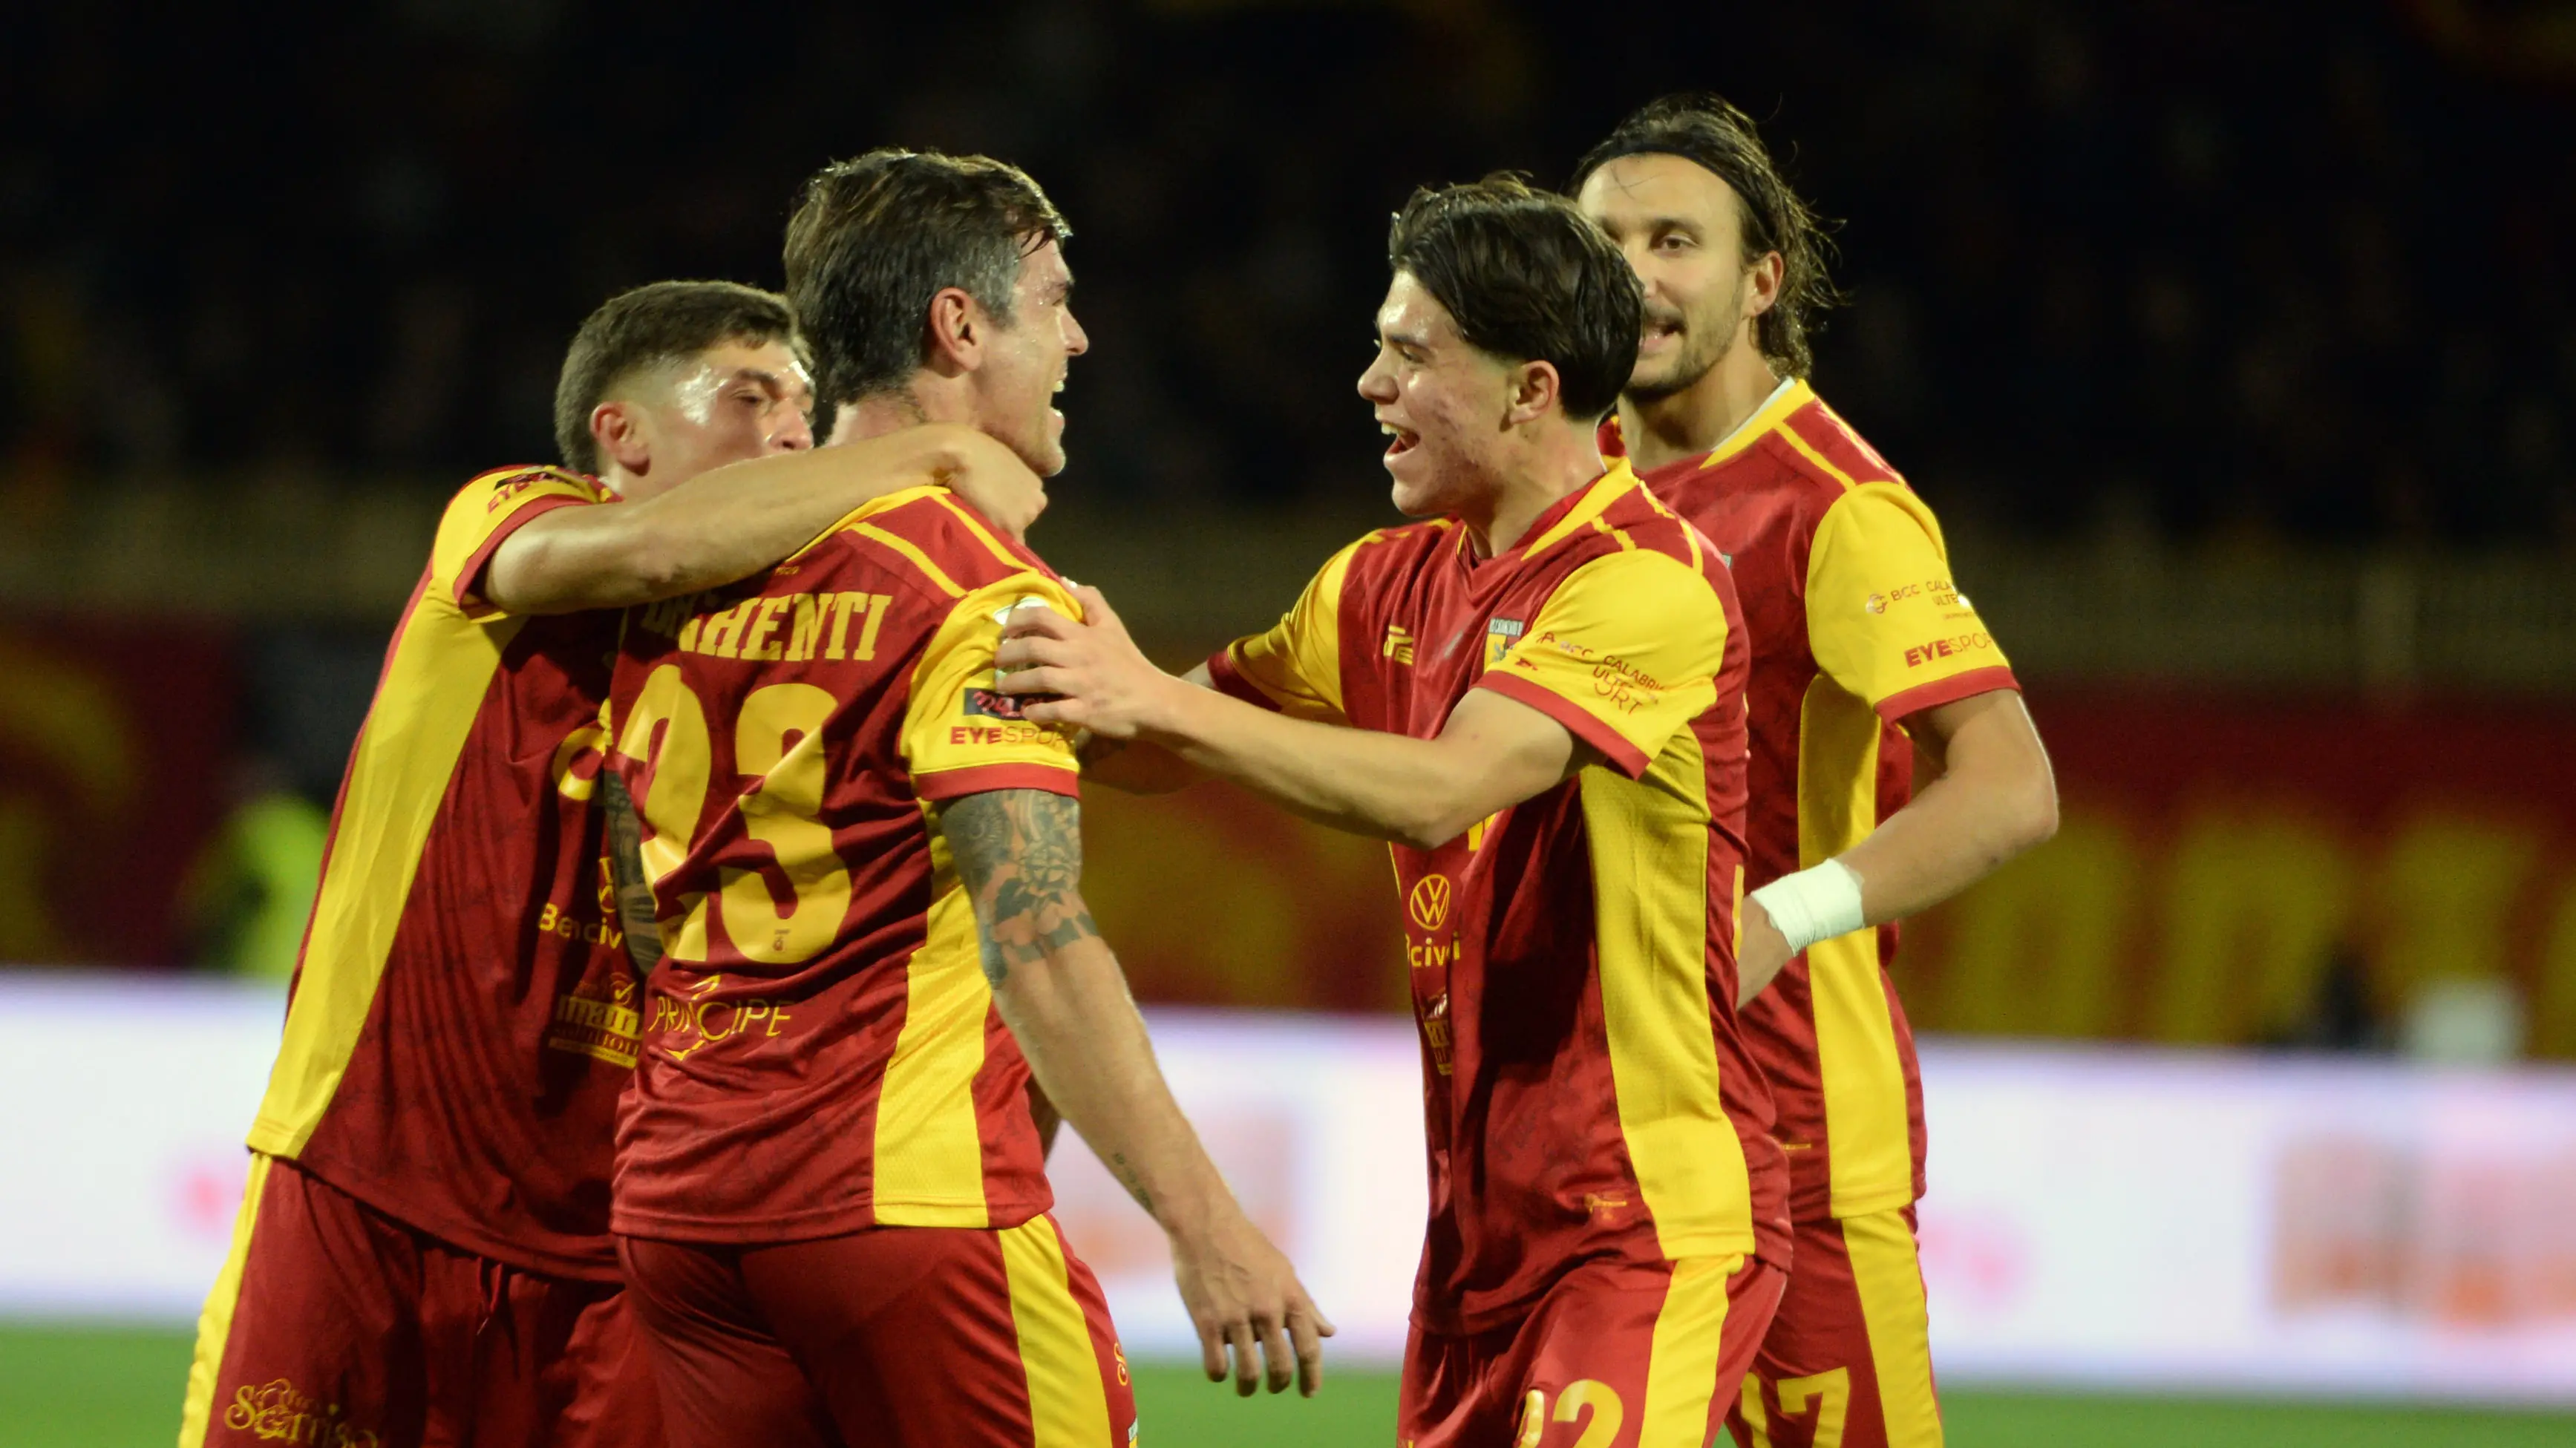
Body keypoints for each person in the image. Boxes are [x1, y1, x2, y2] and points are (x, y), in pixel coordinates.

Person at [180, 278, 1047, 1448]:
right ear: (619, 433)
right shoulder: (513, 517)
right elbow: (640, 552)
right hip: (366, 1184)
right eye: (750, 396)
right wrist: (935, 453)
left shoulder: (801, 638)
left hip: (616, 1255)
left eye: (804, 402)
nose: (793, 428)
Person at [998, 175, 1788, 1448]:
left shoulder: (1647, 583)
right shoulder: (1382, 580)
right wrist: (1028, 664)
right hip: (1477, 1238)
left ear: (1530, 389)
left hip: (1639, 1222)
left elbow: (1442, 791)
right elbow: (1155, 739)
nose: (1369, 383)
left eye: (1409, 353)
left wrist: (1148, 695)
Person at [595, 149, 1327, 1448]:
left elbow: (635, 893)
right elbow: (1033, 929)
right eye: (1053, 300)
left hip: (682, 1214)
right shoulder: (975, 589)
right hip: (901, 1221)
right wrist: (1204, 1224)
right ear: (959, 324)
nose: (1079, 335)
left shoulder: (673, 566)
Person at [1571, 94, 2060, 1448]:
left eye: (1675, 241)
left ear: (1760, 278)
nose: (1636, 276)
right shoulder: (1569, 480)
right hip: (1615, 1137)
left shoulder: (1830, 503)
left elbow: (2010, 785)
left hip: (1796, 1136)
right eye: (1604, 241)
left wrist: (1782, 919)